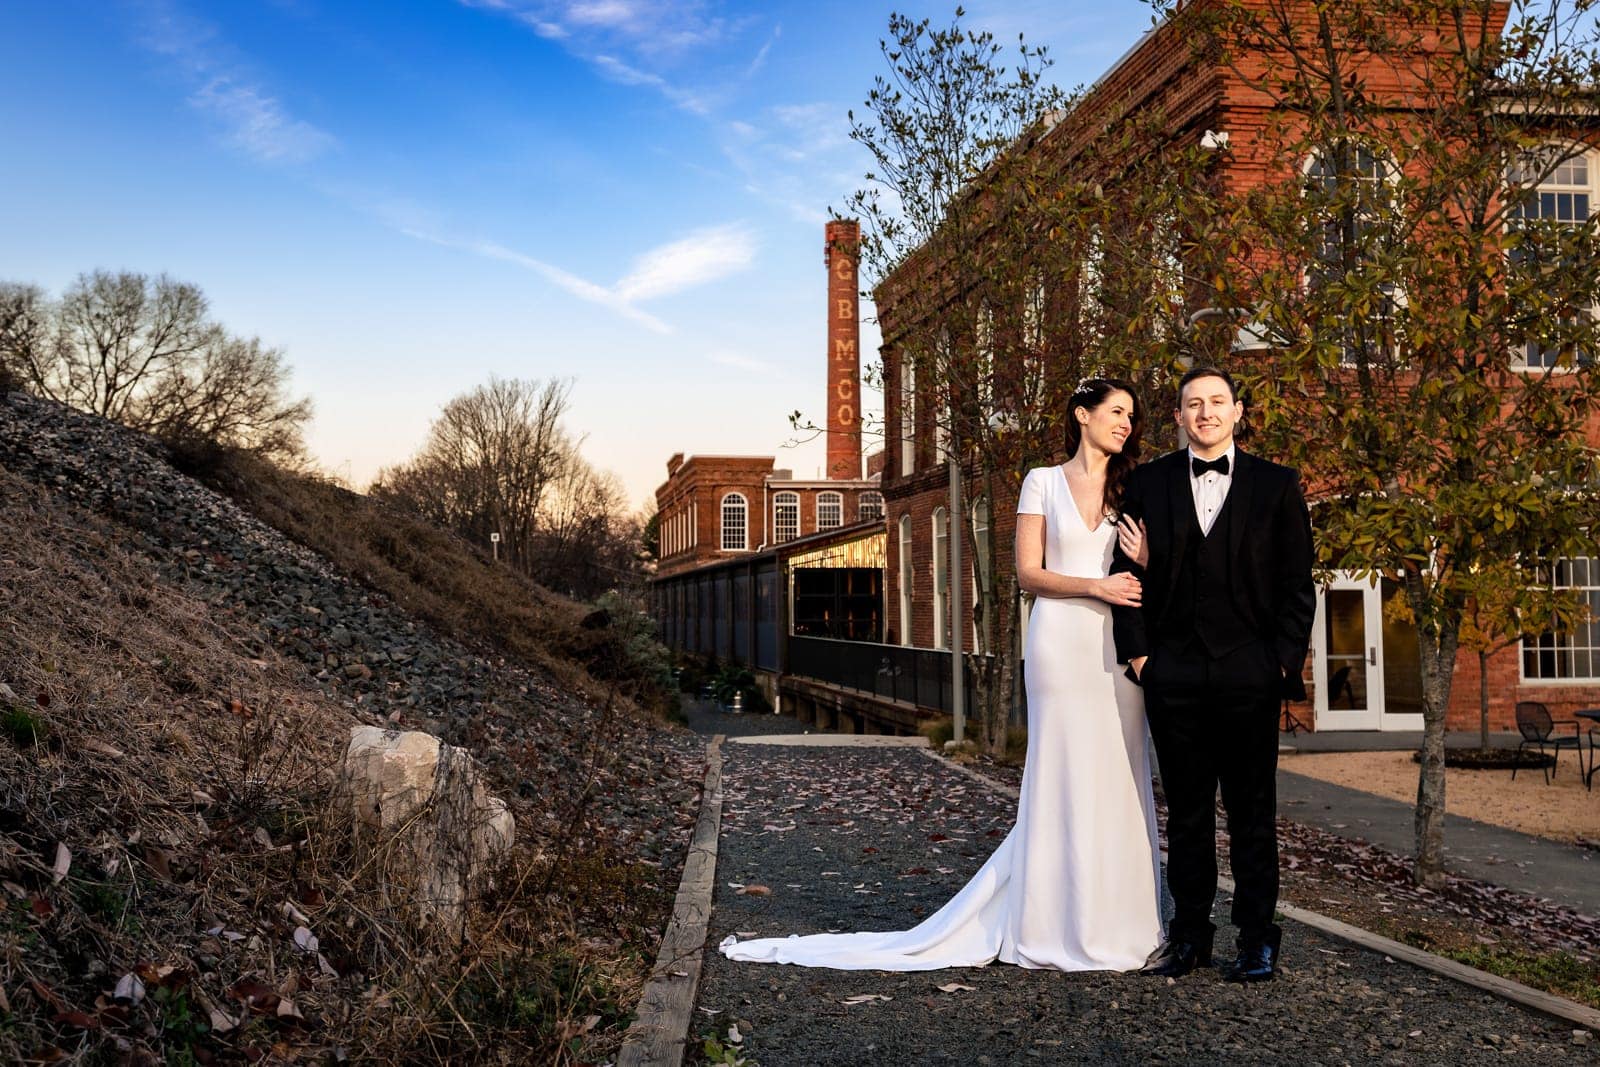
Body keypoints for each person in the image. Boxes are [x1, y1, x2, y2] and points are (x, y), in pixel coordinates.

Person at [719, 378, 1164, 972]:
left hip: (1115, 646)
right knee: (1061, 772)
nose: (1126, 424)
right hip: (1060, 641)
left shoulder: (1134, 488)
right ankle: (1053, 921)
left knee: (1119, 770)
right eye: (1115, 411)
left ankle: (1122, 924)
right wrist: (1095, 585)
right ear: (1081, 414)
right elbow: (1028, 574)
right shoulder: (1042, 482)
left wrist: (1141, 564)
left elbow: (1159, 569)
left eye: (1131, 415)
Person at [1110, 365, 1315, 983]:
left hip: (1250, 674)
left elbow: (1295, 587)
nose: (1205, 413)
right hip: (1174, 676)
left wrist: (1279, 664)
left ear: (1238, 411)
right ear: (1177, 416)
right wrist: (1142, 658)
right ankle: (1190, 937)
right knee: (1189, 817)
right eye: (1193, 404)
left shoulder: (1278, 486)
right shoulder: (1148, 483)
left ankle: (1257, 940)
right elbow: (1129, 578)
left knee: (1253, 815)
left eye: (1217, 402)